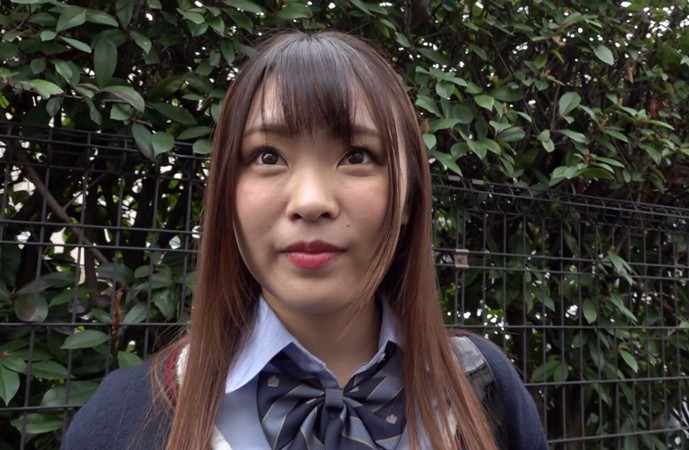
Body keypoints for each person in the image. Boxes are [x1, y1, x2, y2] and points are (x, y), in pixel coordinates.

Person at [62, 30, 548, 450]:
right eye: (268, 156)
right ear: (226, 195)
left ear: (406, 199)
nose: (311, 201)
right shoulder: (120, 419)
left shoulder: (482, 387)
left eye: (357, 156)